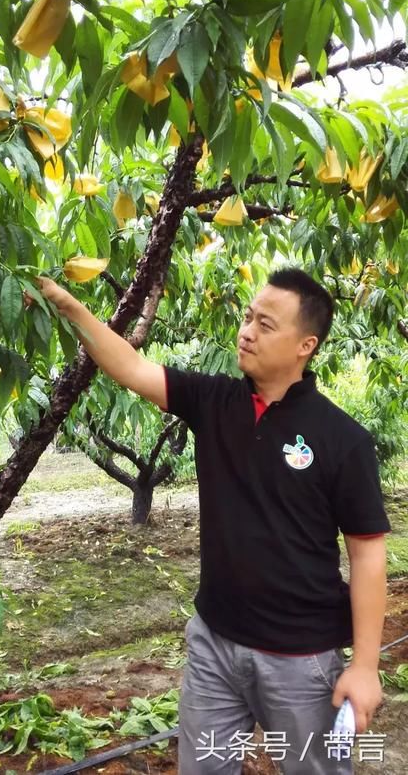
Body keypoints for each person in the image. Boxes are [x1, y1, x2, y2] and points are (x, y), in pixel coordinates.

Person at [34, 267, 390, 774]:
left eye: (266, 325)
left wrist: (365, 667)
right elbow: (130, 367)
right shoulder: (215, 401)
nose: (246, 331)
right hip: (214, 646)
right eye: (248, 317)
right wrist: (68, 305)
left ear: (304, 345)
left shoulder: (342, 439)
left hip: (300, 660)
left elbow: (368, 553)